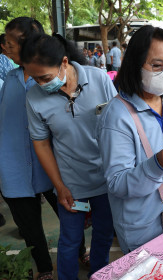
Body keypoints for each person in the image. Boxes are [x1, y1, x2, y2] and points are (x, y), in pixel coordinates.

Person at [96, 25, 163, 253]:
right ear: (135, 63)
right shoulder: (117, 116)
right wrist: (155, 166)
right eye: (156, 65)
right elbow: (117, 183)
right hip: (143, 228)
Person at [21, 33, 116, 279]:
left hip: (106, 180)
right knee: (70, 240)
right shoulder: (34, 97)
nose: (40, 84)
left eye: (45, 77)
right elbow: (41, 144)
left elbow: (118, 125)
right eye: (33, 78)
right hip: (71, 185)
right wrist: (59, 186)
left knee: (104, 235)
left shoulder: (98, 79)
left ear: (64, 62)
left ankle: (98, 274)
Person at [0, 17, 55, 280]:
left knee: (71, 214)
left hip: (53, 166)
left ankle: (79, 250)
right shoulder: (10, 78)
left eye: (10, 43)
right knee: (28, 225)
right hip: (14, 167)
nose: (5, 47)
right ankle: (43, 268)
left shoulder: (49, 77)